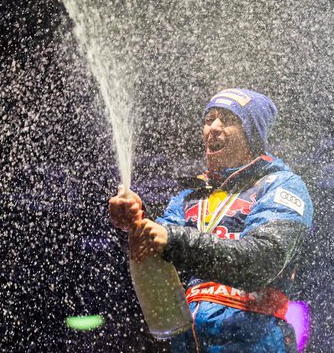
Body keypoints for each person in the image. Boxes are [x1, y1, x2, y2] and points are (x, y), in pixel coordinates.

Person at [108, 88, 314, 352]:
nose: (213, 127)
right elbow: (157, 254)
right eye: (209, 119)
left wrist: (170, 239)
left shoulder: (281, 186)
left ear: (252, 135)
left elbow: (262, 260)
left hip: (254, 342)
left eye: (228, 119)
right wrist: (136, 222)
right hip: (190, 344)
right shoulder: (190, 197)